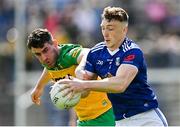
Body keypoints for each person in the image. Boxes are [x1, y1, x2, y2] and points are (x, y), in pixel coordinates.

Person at [57, 6, 168, 126]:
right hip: (120, 122)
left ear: (124, 30)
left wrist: (83, 84)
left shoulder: (132, 52)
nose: (105, 33)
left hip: (145, 119)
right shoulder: (96, 52)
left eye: (110, 29)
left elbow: (120, 85)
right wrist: (72, 87)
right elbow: (85, 91)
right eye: (103, 28)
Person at [27, 28, 115, 126]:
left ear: (55, 44)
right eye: (38, 54)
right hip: (84, 119)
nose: (43, 57)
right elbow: (48, 69)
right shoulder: (50, 61)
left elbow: (87, 53)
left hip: (105, 114)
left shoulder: (68, 55)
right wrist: (39, 87)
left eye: (45, 50)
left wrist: (80, 68)